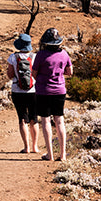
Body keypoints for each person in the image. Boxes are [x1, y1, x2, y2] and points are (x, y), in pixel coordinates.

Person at [32, 27, 73, 161]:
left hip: (43, 91)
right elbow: (69, 72)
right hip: (60, 91)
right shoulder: (64, 54)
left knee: (46, 121)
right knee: (60, 121)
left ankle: (50, 154)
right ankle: (62, 155)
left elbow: (34, 73)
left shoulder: (40, 55)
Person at [5, 32, 39, 154]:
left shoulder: (12, 58)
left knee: (22, 118)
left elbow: (10, 75)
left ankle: (27, 147)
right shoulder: (35, 57)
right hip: (33, 90)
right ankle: (35, 147)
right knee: (34, 118)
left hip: (17, 91)